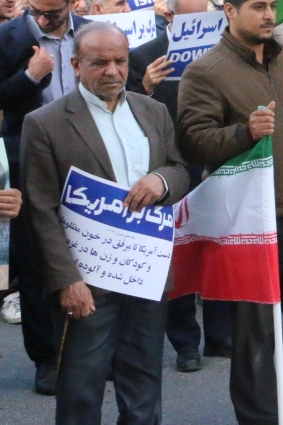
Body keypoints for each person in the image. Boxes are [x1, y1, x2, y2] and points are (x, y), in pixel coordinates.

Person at [176, 0, 283, 425]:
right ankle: (261, 417)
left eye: (272, 6)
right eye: (258, 7)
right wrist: (243, 132)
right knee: (256, 333)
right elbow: (193, 142)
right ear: (230, 11)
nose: (270, 15)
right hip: (248, 222)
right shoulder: (205, 72)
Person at [22, 21, 190, 425]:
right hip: (88, 280)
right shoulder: (45, 123)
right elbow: (40, 211)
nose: (113, 71)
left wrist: (161, 181)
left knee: (143, 384)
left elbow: (180, 170)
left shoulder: (154, 111)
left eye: (120, 61)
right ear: (76, 65)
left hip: (145, 273)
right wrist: (66, 281)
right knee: (81, 387)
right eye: (100, 63)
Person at [125, 0, 232, 373]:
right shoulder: (143, 58)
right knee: (177, 256)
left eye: (206, 15)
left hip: (213, 162)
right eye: (192, 17)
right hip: (170, 169)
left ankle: (222, 336)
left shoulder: (221, 51)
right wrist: (145, 87)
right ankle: (185, 342)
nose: (201, 24)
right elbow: (124, 113)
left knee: (217, 248)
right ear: (169, 17)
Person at [0, 0, 88, 394]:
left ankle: (92, 352)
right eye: (35, 10)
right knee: (35, 264)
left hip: (88, 161)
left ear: (72, 3)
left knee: (89, 258)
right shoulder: (7, 38)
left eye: (52, 14)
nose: (42, 19)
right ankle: (46, 359)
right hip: (29, 164)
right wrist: (29, 78)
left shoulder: (92, 34)